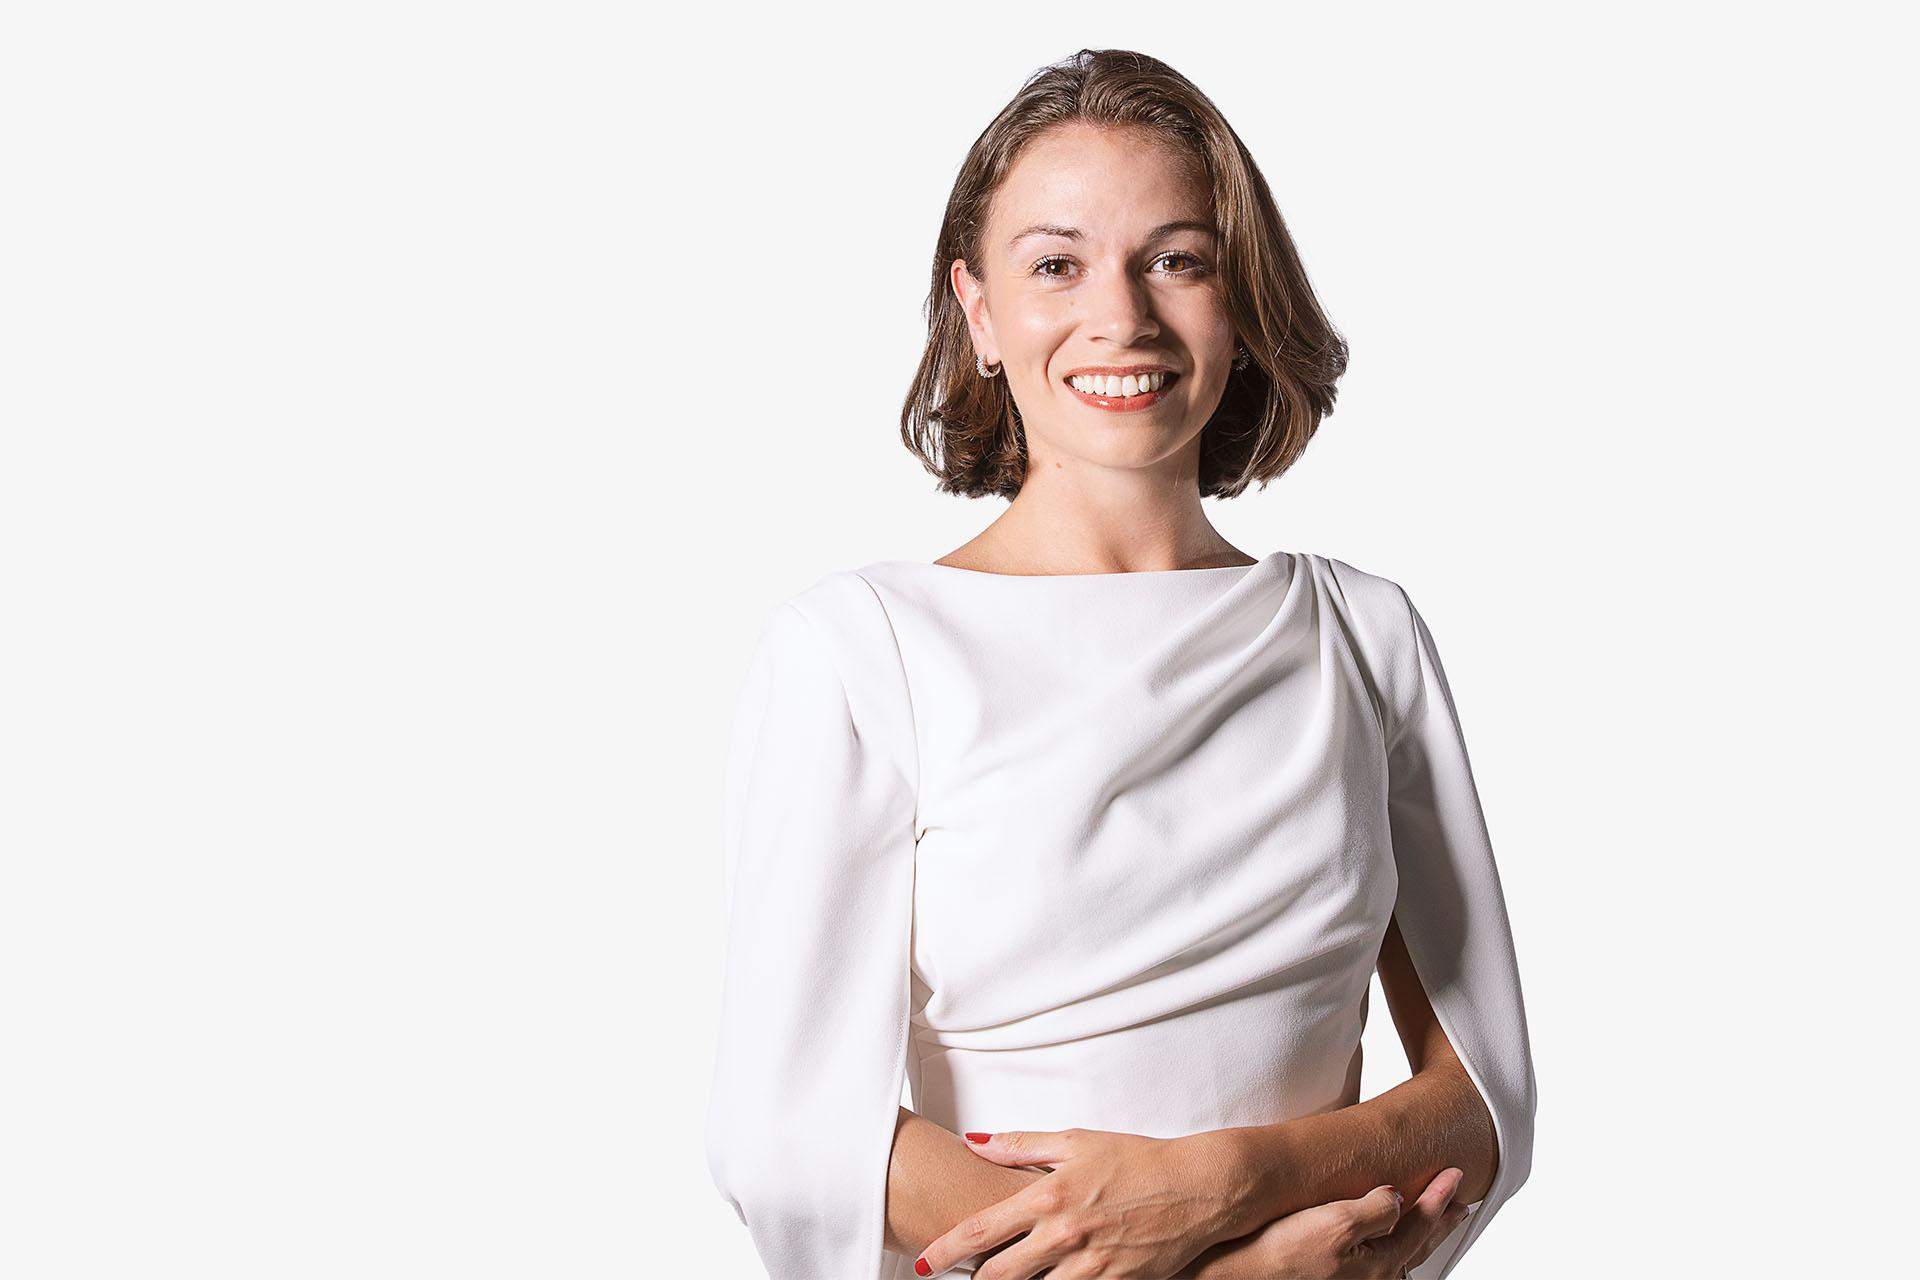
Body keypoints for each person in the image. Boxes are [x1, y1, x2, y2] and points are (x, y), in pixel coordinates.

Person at [703, 48, 1536, 1280]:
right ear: (978, 310)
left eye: (1177, 259)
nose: (1123, 315)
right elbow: (789, 1132)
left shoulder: (1364, 635)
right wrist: (1226, 1275)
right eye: (1056, 263)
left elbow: (1484, 1094)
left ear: (1240, 301)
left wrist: (1224, 1183)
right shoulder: (861, 648)